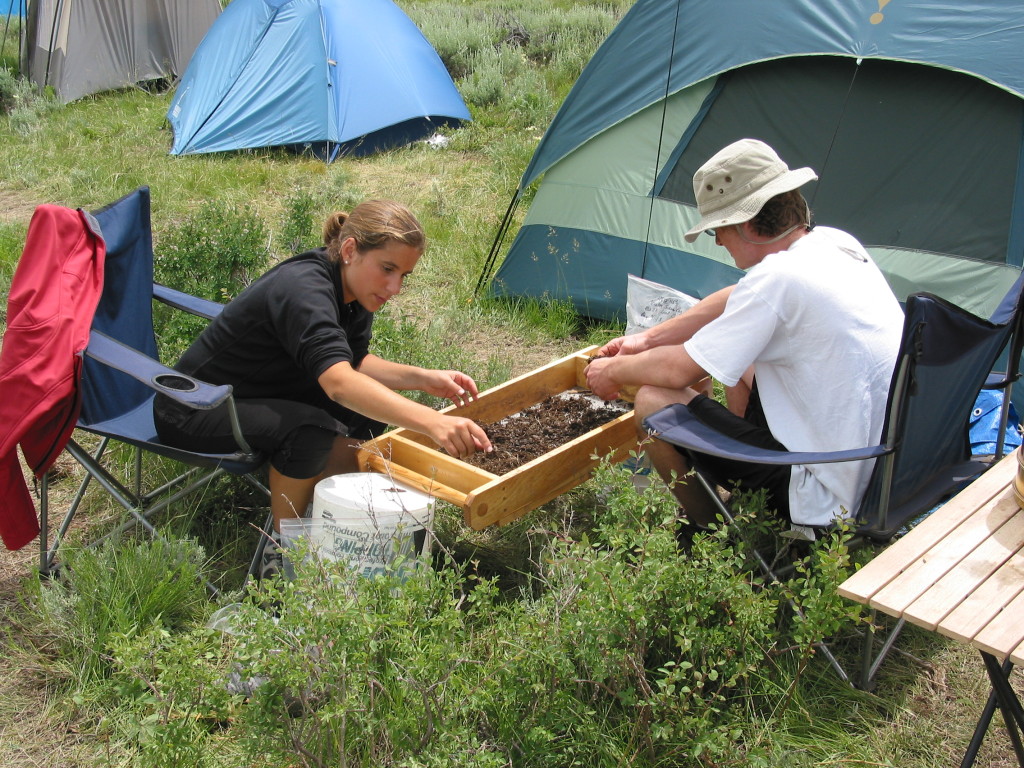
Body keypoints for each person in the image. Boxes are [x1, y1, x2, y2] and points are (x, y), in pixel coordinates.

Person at [586, 138, 903, 537]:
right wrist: (646, 340)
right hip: (885, 467)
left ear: (747, 224)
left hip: (831, 495)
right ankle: (741, 480)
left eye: (718, 230)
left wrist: (614, 370)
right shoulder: (836, 244)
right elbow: (738, 297)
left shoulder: (776, 281)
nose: (717, 241)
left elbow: (677, 370)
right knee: (743, 355)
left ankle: (713, 532)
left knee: (653, 401)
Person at [154, 199, 492, 573]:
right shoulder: (304, 287)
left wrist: (424, 378)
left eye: (404, 276)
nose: (395, 287)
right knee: (309, 430)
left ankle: (336, 519)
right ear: (350, 250)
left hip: (263, 393)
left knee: (367, 413)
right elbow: (338, 383)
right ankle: (287, 559)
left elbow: (355, 362)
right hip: (195, 407)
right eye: (388, 269)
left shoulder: (356, 289)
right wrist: (432, 421)